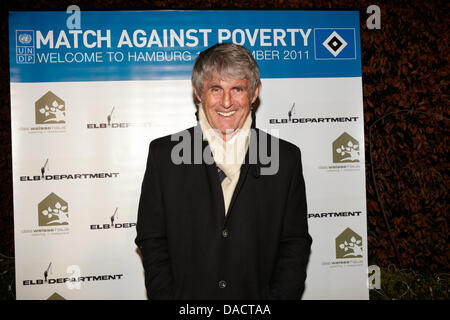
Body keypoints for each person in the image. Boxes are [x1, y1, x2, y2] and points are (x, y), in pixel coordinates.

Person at [135, 43, 312, 300]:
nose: (226, 102)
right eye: (216, 89)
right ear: (198, 92)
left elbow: (294, 242)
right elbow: (152, 238)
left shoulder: (285, 158)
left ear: (254, 93)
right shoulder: (164, 155)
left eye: (237, 89)